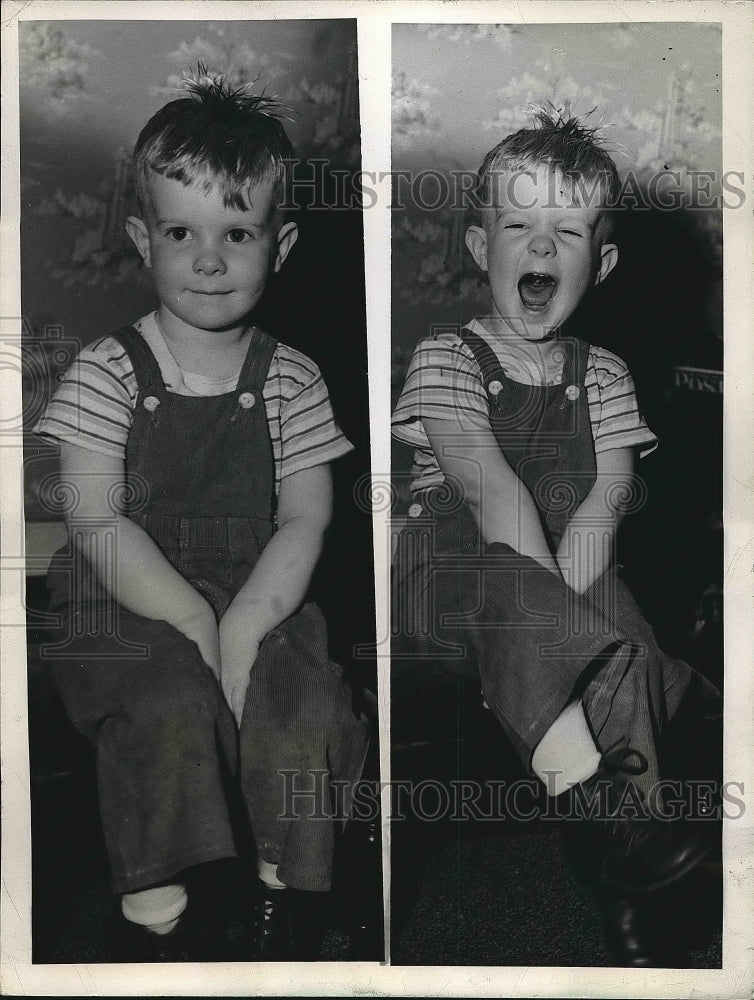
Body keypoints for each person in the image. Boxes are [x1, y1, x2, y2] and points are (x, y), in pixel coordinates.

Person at [35, 73, 369, 962]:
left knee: (303, 709)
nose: (209, 259)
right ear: (145, 239)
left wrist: (251, 624)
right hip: (125, 593)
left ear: (281, 243)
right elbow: (98, 518)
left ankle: (276, 894)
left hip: (259, 582)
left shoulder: (294, 378)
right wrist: (190, 620)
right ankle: (157, 913)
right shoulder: (105, 372)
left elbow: (304, 520)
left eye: (238, 233)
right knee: (169, 703)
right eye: (182, 233)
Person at [391, 108, 722, 967]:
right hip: (457, 576)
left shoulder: (606, 374)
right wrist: (560, 619)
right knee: (538, 599)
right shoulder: (446, 356)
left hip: (572, 561)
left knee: (634, 650)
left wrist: (591, 628)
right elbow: (489, 489)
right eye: (517, 225)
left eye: (566, 231)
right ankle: (599, 807)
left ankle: (636, 884)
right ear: (479, 249)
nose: (540, 248)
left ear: (600, 264)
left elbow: (608, 496)